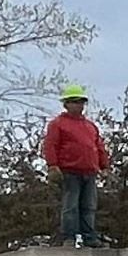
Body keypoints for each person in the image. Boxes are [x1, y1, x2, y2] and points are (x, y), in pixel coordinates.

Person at [41, 83, 109, 246]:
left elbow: (98, 146)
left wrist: (104, 165)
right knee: (71, 206)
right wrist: (53, 165)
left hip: (89, 171)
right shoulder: (57, 124)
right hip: (69, 170)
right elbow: (51, 145)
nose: (77, 105)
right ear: (66, 104)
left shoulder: (90, 126)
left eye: (80, 102)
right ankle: (69, 237)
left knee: (89, 206)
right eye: (74, 101)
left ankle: (89, 237)